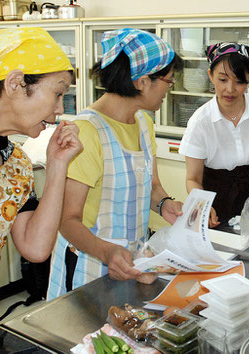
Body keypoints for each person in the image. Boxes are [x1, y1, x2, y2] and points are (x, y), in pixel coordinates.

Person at [0, 28, 82, 339]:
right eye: (57, 93)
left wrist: (57, 167)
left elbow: (36, 248)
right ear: (16, 83)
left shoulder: (17, 164)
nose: (60, 110)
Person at [47, 29, 184, 299]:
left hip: (129, 262)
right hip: (89, 266)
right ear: (143, 81)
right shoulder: (87, 132)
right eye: (169, 81)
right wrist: (106, 252)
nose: (170, 89)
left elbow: (152, 185)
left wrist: (164, 204)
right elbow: (67, 220)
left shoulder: (143, 123)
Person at [179, 43, 249, 228]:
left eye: (239, 81)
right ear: (210, 75)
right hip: (212, 200)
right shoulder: (200, 122)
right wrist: (202, 205)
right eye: (223, 79)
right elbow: (192, 179)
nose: (230, 89)